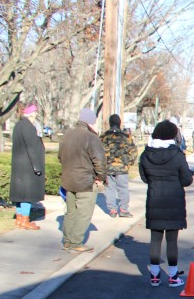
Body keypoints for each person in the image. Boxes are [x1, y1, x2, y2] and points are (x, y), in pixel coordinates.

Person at [139, 120, 194, 287]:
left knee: (155, 240)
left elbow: (144, 178)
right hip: (174, 201)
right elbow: (187, 180)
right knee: (172, 241)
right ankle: (173, 276)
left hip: (154, 199)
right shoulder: (177, 155)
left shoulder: (146, 155)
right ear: (172, 135)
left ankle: (154, 276)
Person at [58, 108, 106, 253]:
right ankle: (76, 242)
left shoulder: (67, 135)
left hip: (68, 180)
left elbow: (60, 156)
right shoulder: (92, 138)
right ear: (91, 122)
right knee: (84, 213)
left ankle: (67, 241)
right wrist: (101, 178)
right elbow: (100, 161)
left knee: (70, 212)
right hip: (85, 181)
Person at [9, 103, 46, 230]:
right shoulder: (28, 127)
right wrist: (37, 166)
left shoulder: (18, 125)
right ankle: (25, 220)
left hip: (19, 164)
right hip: (28, 166)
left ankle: (19, 219)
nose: (36, 115)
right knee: (27, 194)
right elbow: (32, 148)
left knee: (20, 194)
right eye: (35, 112)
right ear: (32, 114)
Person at [101, 114, 137, 218]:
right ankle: (123, 209)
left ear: (110, 123)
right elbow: (133, 152)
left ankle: (112, 210)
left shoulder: (104, 137)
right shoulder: (126, 136)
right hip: (122, 168)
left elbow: (98, 152)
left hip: (108, 168)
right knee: (123, 188)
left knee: (110, 189)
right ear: (120, 123)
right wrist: (128, 164)